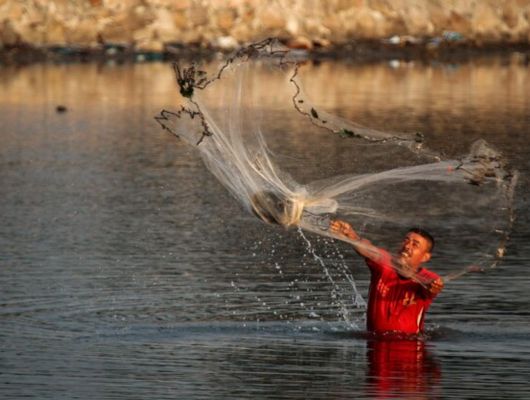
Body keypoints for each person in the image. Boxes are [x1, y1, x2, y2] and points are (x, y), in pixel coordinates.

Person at [330, 220, 444, 335]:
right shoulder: (384, 264)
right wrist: (351, 234)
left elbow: (432, 286)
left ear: (425, 257)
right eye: (406, 240)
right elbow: (369, 249)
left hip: (410, 347)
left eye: (415, 244)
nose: (407, 246)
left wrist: (434, 286)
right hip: (374, 347)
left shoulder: (427, 277)